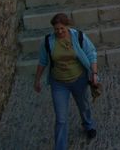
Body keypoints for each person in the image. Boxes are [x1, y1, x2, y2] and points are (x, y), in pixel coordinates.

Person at [33, 13, 98, 150]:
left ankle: (88, 125)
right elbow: (42, 61)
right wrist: (37, 80)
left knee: (83, 106)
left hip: (78, 80)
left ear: (67, 26)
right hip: (59, 84)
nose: (59, 32)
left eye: (62, 28)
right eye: (56, 29)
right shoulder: (48, 42)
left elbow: (91, 53)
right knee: (61, 119)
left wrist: (94, 73)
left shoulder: (78, 37)